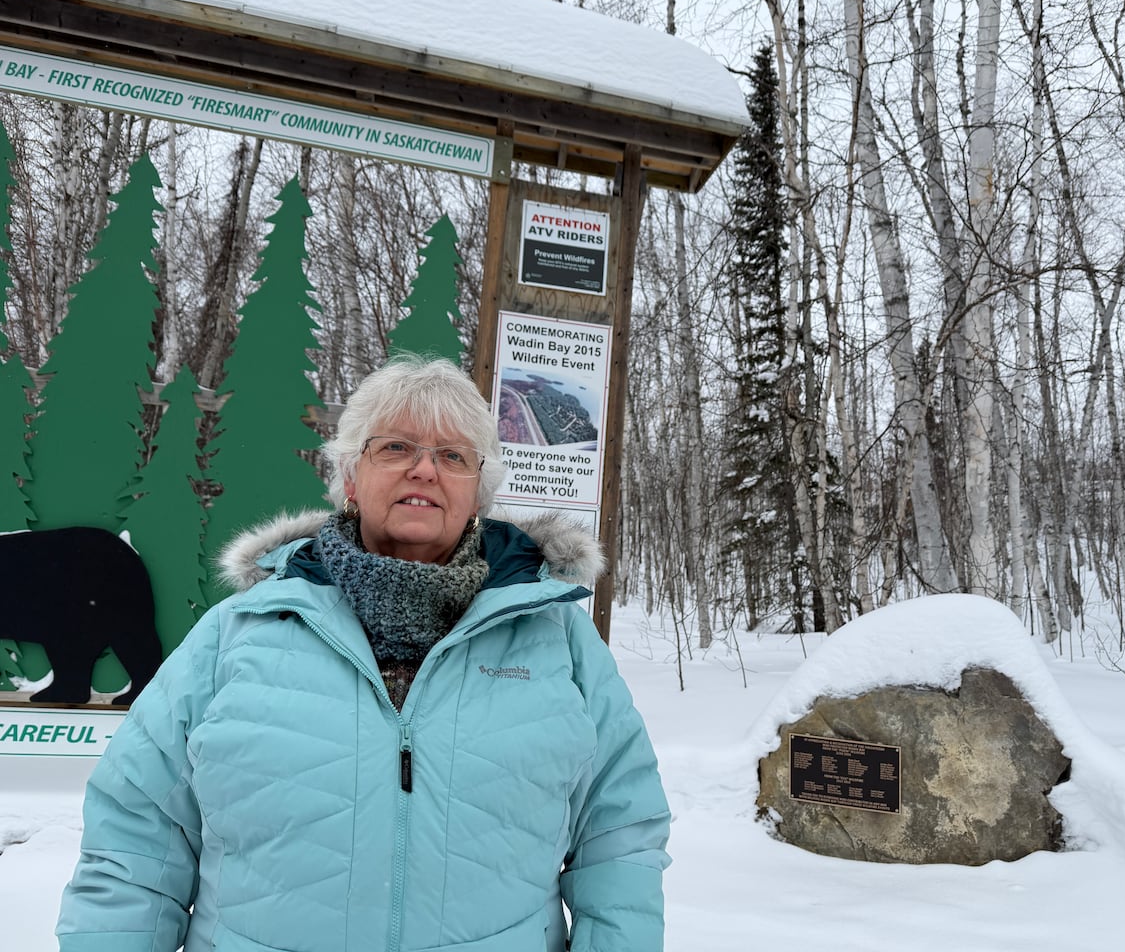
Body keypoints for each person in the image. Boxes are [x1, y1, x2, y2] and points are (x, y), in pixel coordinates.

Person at [56, 354, 670, 952]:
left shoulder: (555, 635)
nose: (424, 470)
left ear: (477, 495)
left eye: (452, 456)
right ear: (350, 478)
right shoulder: (239, 632)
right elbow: (135, 839)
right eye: (395, 448)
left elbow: (618, 834)